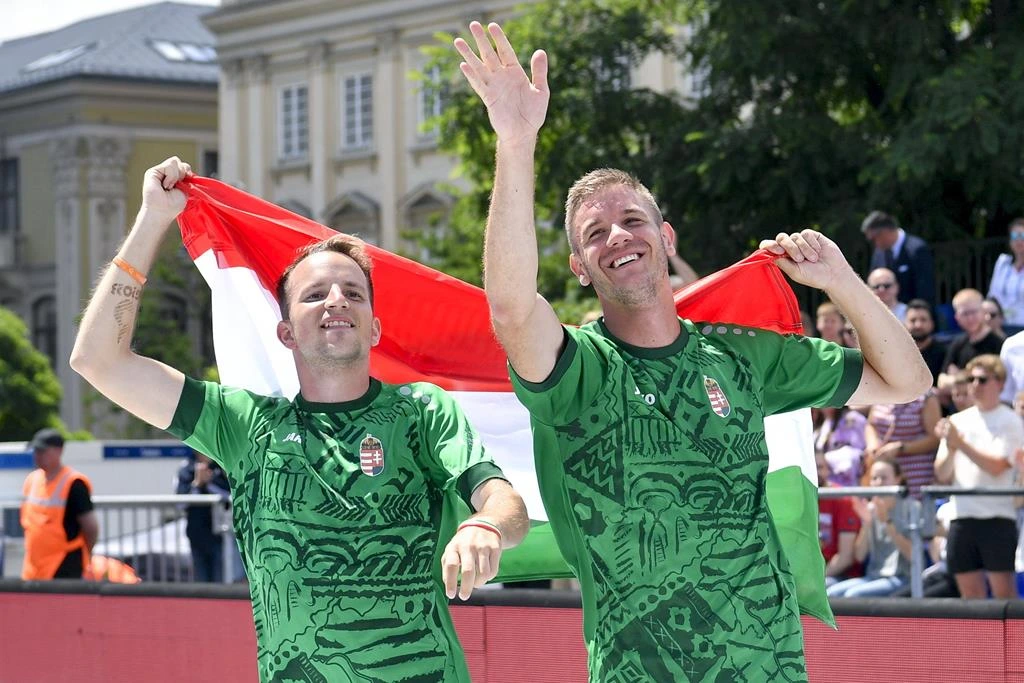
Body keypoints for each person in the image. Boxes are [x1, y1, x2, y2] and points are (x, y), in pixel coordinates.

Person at [455, 20, 931, 681]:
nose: (618, 236)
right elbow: (510, 307)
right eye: (595, 233)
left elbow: (908, 381)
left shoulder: (742, 356)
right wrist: (515, 139)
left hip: (769, 667)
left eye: (633, 220)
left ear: (666, 237)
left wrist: (841, 280)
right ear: (579, 268)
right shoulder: (576, 368)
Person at [70, 157, 530, 682]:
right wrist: (153, 218)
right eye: (315, 295)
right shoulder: (244, 424)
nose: (336, 300)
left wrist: (486, 525)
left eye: (353, 292)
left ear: (374, 329)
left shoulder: (421, 411)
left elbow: (506, 504)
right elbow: (97, 360)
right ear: (286, 332)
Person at [934, 354, 1022, 599]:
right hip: (961, 517)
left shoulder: (1011, 421)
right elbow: (942, 474)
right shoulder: (957, 421)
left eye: (982, 379)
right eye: (971, 379)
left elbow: (997, 466)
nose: (975, 385)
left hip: (997, 518)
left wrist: (959, 444)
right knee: (970, 601)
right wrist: (952, 448)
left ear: (1000, 383)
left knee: (1004, 597)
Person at [827, 457, 920, 598]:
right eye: (875, 478)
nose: (879, 483)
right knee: (831, 592)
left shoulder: (912, 508)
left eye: (884, 478)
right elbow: (859, 556)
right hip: (873, 576)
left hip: (902, 577)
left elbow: (913, 555)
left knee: (853, 595)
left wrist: (887, 522)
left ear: (898, 479)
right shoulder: (871, 509)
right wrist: (867, 524)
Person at [20, 428, 99, 580]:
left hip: (64, 564)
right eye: (36, 451)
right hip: (33, 566)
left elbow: (90, 527)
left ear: (59, 451)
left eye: (43, 451)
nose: (38, 455)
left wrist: (86, 555)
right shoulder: (32, 480)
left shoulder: (74, 483)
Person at [864, 390, 941, 497]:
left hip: (915, 473)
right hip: (883, 472)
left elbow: (935, 438)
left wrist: (902, 447)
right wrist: (872, 444)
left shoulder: (926, 397)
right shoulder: (881, 391)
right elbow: (871, 424)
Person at [175, 450, 230, 582]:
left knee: (220, 581)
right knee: (201, 580)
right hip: (196, 534)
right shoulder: (186, 469)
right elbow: (180, 504)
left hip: (220, 533)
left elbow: (229, 495)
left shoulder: (220, 468)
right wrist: (197, 484)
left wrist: (210, 484)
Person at [862, 210, 935, 306]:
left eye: (873, 239)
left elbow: (925, 289)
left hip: (912, 311)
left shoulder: (916, 249)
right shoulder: (878, 253)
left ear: (884, 232)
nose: (874, 244)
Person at [816, 451, 862, 587]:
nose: (815, 472)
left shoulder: (842, 499)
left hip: (840, 574)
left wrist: (815, 582)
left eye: (819, 467)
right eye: (810, 467)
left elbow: (845, 557)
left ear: (828, 470)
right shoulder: (797, 498)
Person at [987, 217, 1024, 327]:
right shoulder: (1003, 264)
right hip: (1002, 327)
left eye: (1022, 236)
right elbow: (992, 296)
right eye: (1014, 236)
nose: (1019, 240)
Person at [905, 299, 946, 384]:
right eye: (913, 320)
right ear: (904, 323)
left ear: (932, 323)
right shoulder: (897, 353)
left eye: (923, 320)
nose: (918, 325)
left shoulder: (944, 353)